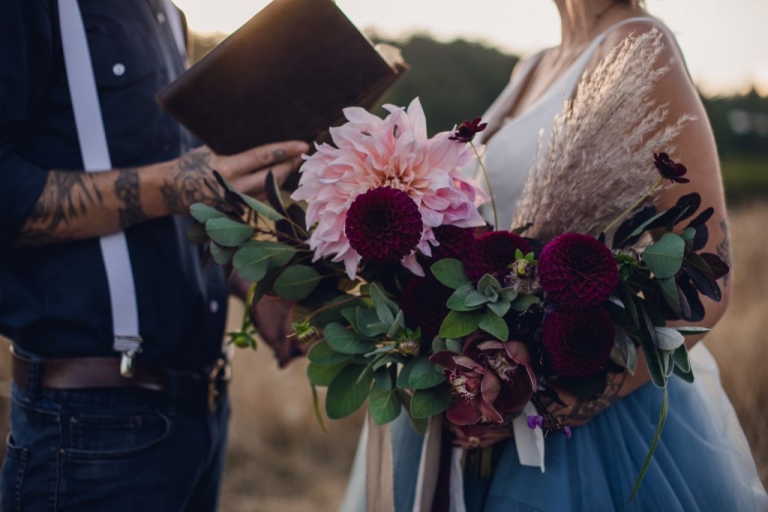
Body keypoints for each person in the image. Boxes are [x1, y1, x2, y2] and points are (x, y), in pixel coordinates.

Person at [339, 1, 768, 510]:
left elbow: (706, 281)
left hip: (582, 430)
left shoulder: (640, 45)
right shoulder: (533, 64)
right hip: (478, 397)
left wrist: (556, 405)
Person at [0, 1, 307, 510]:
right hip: (90, 427)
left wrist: (250, 282)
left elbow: (178, 203)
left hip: (199, 415)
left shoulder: (167, 13)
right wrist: (179, 184)